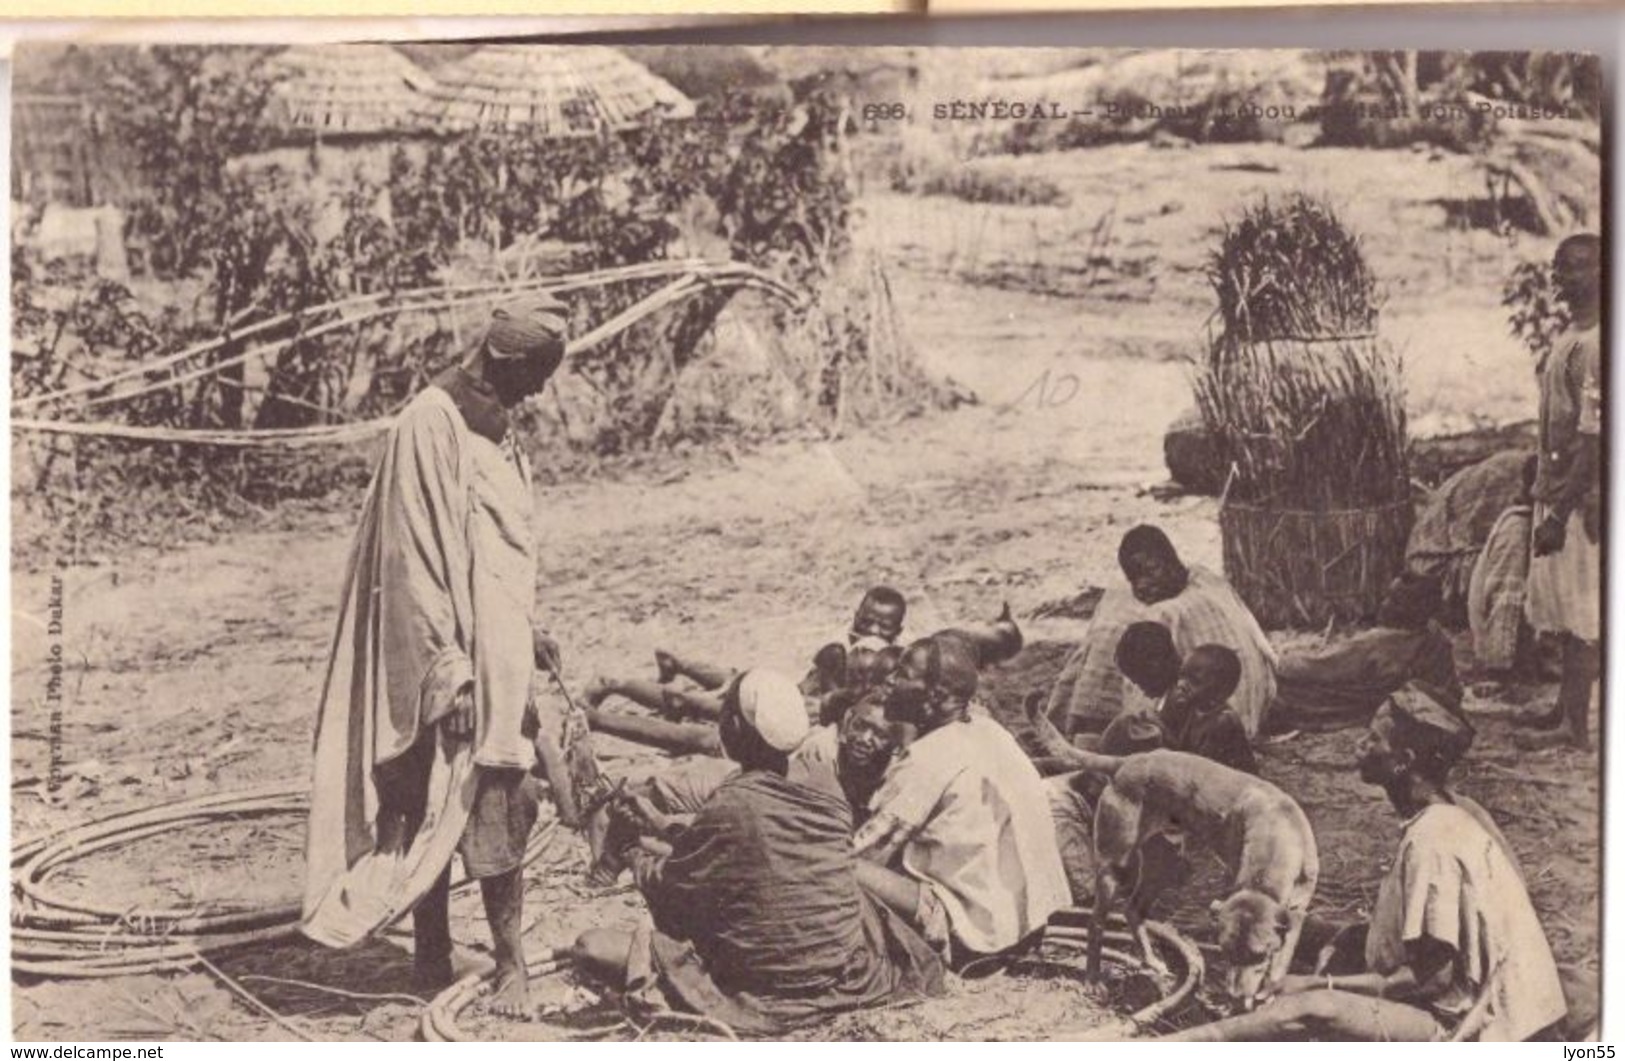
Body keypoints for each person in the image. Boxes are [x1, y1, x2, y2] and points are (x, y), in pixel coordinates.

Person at [302, 295, 576, 1018]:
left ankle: (471, 952)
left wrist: (525, 627)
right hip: (448, 655)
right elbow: (416, 556)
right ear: (504, 360)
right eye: (536, 374)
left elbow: (491, 549)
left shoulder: (494, 421)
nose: (540, 391)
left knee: (489, 795)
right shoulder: (430, 422)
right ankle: (469, 954)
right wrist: (448, 672)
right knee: (466, 791)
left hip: (494, 647)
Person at [1155, 683, 1567, 1042]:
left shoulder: (1432, 844)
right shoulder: (1453, 812)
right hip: (1483, 994)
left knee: (1308, 1009)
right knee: (1322, 933)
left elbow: (1433, 983)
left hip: (1477, 1025)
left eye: (1372, 740)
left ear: (1403, 761)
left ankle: (1174, 1044)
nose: (1360, 745)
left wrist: (1322, 983)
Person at [570, 670, 945, 1036]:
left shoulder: (733, 804)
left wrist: (631, 850)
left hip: (769, 994)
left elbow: (675, 899)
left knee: (593, 948)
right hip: (849, 979)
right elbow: (753, 846)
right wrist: (660, 824)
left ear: (734, 728)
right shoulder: (824, 783)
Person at [853, 637, 1070, 966]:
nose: (890, 680)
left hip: (976, 939)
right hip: (1031, 924)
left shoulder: (926, 758)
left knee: (838, 865)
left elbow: (871, 850)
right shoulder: (990, 731)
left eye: (903, 673)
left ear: (936, 695)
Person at [587, 689, 900, 884]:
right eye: (861, 727)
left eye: (880, 735)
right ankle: (595, 801)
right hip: (739, 783)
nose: (866, 740)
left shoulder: (887, 773)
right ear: (846, 724)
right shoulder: (823, 752)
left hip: (755, 799)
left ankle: (628, 836)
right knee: (645, 796)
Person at [1045, 525, 1278, 741]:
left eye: (1150, 571)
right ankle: (1092, 726)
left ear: (1172, 562)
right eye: (1134, 579)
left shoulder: (1198, 598)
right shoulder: (1127, 602)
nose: (1143, 585)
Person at [1517, 233, 1602, 749]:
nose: (1561, 279)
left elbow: (1595, 441)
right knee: (1567, 611)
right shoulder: (1575, 333)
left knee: (1584, 612)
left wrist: (1561, 509)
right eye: (1558, 269)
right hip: (1559, 486)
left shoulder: (1597, 345)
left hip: (1581, 498)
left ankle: (1577, 727)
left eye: (1573, 269)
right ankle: (1563, 709)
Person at [1271, 573, 1463, 733]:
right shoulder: (1436, 636)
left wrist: (1276, 659)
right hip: (1416, 709)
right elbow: (1452, 692)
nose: (1384, 604)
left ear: (1415, 608)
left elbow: (1316, 666)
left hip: (1369, 707)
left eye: (1395, 601)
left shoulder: (1378, 643)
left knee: (1282, 691)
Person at [1468, 456, 1536, 675]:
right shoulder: (1518, 528)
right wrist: (1500, 661)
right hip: (1501, 642)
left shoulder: (1533, 522)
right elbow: (1503, 597)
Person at [1160, 645, 1257, 775]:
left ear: (1221, 692)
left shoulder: (1223, 721)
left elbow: (1203, 767)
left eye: (1194, 681)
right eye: (1181, 677)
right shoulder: (1191, 708)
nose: (1181, 685)